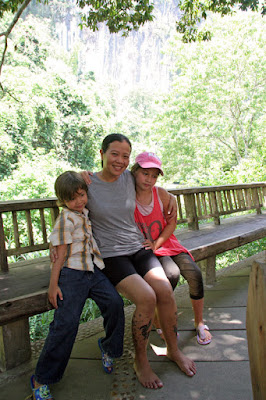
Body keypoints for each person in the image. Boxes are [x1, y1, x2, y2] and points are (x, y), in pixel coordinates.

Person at [81, 133, 196, 390]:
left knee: (164, 288)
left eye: (125, 156)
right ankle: (141, 360)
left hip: (138, 247)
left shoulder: (129, 178)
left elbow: (151, 183)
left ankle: (173, 350)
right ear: (101, 154)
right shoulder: (87, 183)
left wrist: (171, 197)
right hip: (111, 255)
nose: (120, 161)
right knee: (146, 297)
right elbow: (66, 195)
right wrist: (77, 175)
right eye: (114, 154)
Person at [30, 171, 125, 400]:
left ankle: (109, 347)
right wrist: (54, 286)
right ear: (63, 201)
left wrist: (84, 175)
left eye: (82, 195)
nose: (79, 201)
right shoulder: (66, 218)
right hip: (71, 275)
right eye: (72, 199)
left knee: (115, 303)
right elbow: (60, 255)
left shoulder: (83, 212)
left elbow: (96, 177)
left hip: (92, 271)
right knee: (66, 324)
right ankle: (41, 377)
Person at [131, 151, 212, 345]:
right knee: (170, 275)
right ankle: (160, 320)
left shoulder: (161, 194)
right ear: (134, 172)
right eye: (145, 173)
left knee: (194, 273)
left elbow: (171, 223)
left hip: (165, 243)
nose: (149, 179)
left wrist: (157, 243)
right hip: (144, 249)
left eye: (154, 175)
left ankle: (199, 322)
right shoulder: (126, 193)